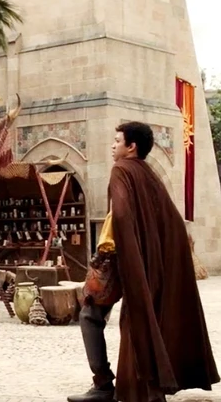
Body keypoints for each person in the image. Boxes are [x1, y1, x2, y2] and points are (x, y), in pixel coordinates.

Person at [68, 121, 219, 402]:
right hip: (142, 258)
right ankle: (140, 384)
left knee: (89, 314)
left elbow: (121, 214)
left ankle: (103, 385)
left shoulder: (122, 169)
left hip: (121, 258)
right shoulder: (149, 174)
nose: (113, 145)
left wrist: (122, 256)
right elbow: (173, 221)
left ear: (131, 146)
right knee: (138, 317)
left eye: (117, 141)